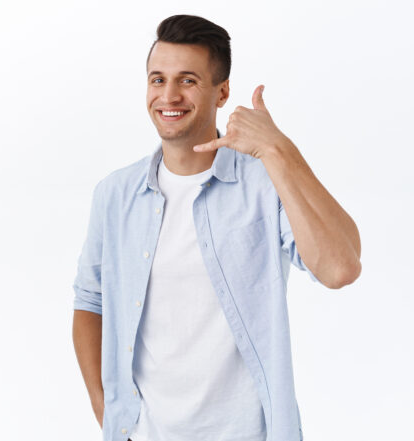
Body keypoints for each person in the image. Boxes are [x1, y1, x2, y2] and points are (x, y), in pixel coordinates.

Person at [71, 14, 361, 441]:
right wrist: (109, 412)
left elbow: (340, 267)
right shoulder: (114, 195)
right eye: (157, 79)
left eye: (187, 80)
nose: (168, 95)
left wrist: (277, 149)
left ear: (222, 92)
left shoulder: (264, 183)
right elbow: (89, 303)